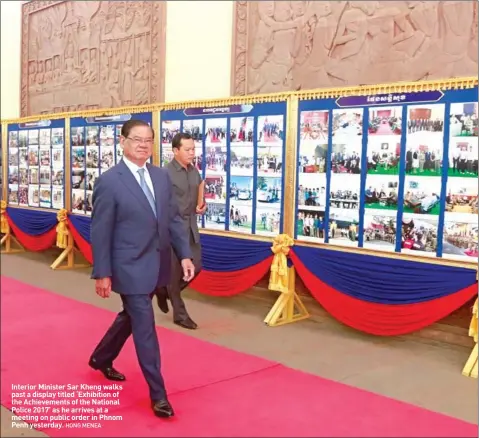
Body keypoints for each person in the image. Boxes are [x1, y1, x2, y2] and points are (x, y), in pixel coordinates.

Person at [88, 119, 195, 419]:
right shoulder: (109, 181)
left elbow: (173, 220)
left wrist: (184, 255)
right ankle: (159, 395)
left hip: (157, 264)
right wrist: (102, 272)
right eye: (137, 139)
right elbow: (101, 231)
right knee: (145, 327)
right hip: (129, 266)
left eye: (148, 139)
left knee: (131, 316)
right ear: (122, 142)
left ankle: (101, 357)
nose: (143, 145)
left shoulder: (160, 177)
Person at [155, 132, 206, 329]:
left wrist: (203, 206)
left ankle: (163, 290)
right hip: (173, 230)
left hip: (191, 227)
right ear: (176, 151)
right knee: (175, 273)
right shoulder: (165, 173)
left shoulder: (194, 172)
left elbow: (198, 196)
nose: (192, 153)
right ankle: (180, 315)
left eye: (193, 149)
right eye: (188, 150)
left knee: (197, 267)